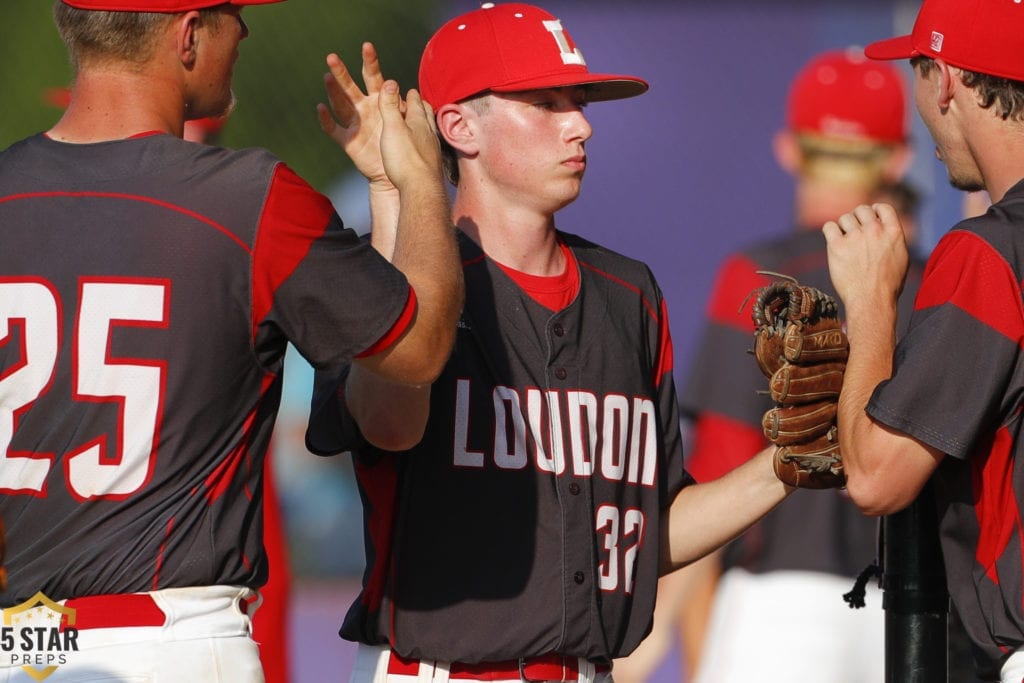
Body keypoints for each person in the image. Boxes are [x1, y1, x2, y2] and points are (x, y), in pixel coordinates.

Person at [306, 4, 795, 683]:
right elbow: (390, 419)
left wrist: (787, 461)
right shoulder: (378, 279)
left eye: (580, 101)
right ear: (458, 127)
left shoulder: (629, 296)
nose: (583, 124)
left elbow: (646, 531)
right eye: (546, 103)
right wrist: (397, 189)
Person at [0, 1, 462, 681]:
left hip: (19, 647)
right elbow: (419, 346)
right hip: (171, 645)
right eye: (229, 14)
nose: (242, 30)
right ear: (187, 34)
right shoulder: (247, 197)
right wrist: (417, 181)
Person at [614, 48, 921, 683]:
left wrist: (666, 625)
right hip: (913, 611)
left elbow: (723, 463)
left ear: (789, 150)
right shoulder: (943, 287)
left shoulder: (761, 281)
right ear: (898, 159)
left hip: (781, 611)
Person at [823, 0, 1024, 680]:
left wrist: (872, 301)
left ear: (944, 79)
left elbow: (878, 475)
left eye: (916, 67)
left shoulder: (991, 253)